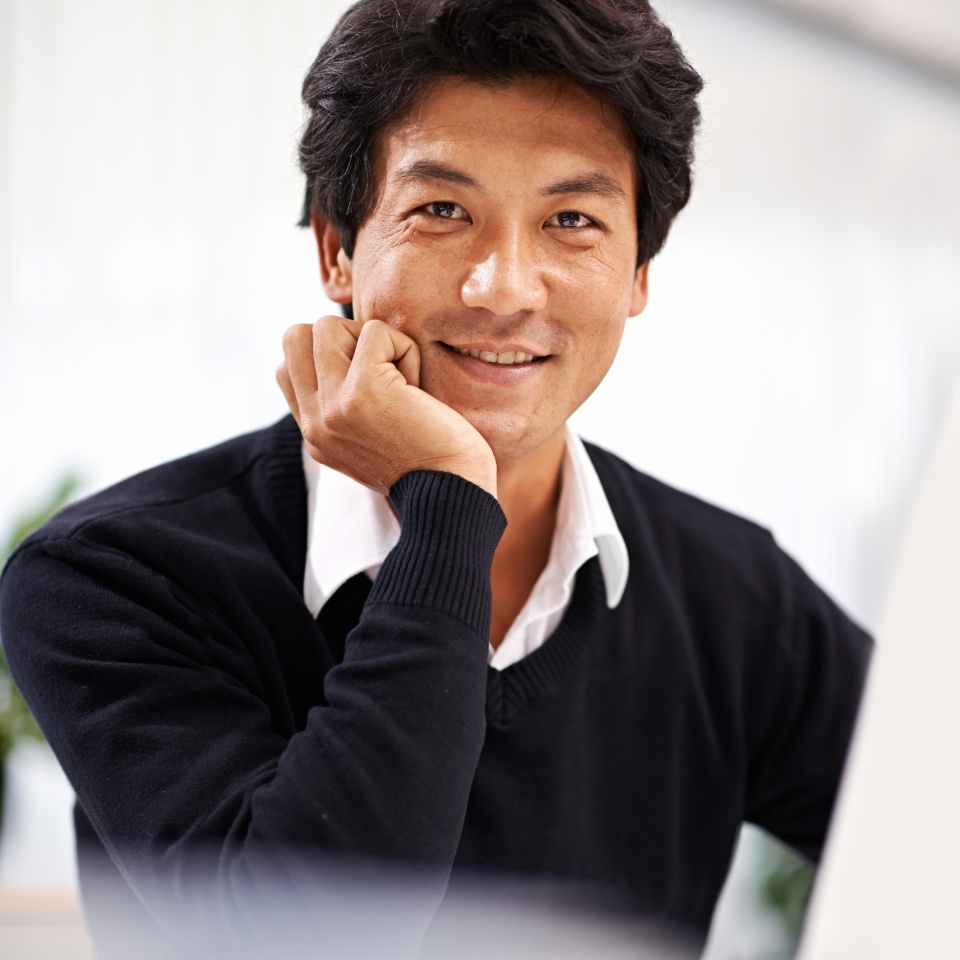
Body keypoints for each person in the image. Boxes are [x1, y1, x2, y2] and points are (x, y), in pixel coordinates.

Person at [0, 0, 872, 957]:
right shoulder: (111, 577)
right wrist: (452, 504)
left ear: (638, 273)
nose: (504, 287)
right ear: (337, 250)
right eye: (442, 210)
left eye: (572, 219)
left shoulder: (733, 597)